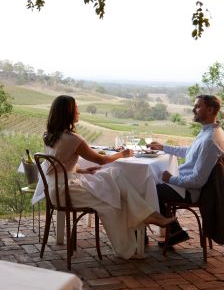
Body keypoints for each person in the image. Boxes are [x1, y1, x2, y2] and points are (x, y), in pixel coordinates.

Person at [42, 95, 176, 259]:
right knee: (113, 202)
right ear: (67, 112)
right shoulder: (73, 139)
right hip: (66, 192)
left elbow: (58, 163)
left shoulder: (50, 136)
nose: (78, 111)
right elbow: (101, 159)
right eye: (75, 108)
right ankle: (128, 248)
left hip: (56, 188)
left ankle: (148, 216)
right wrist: (122, 154)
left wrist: (82, 170)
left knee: (114, 174)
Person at [149, 94, 224, 247]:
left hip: (192, 191)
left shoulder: (210, 140)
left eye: (197, 106)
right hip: (187, 183)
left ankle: (173, 232)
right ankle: (173, 231)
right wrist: (163, 147)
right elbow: (190, 151)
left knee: (149, 189)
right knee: (149, 182)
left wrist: (170, 179)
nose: (193, 110)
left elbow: (197, 181)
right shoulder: (210, 132)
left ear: (210, 110)